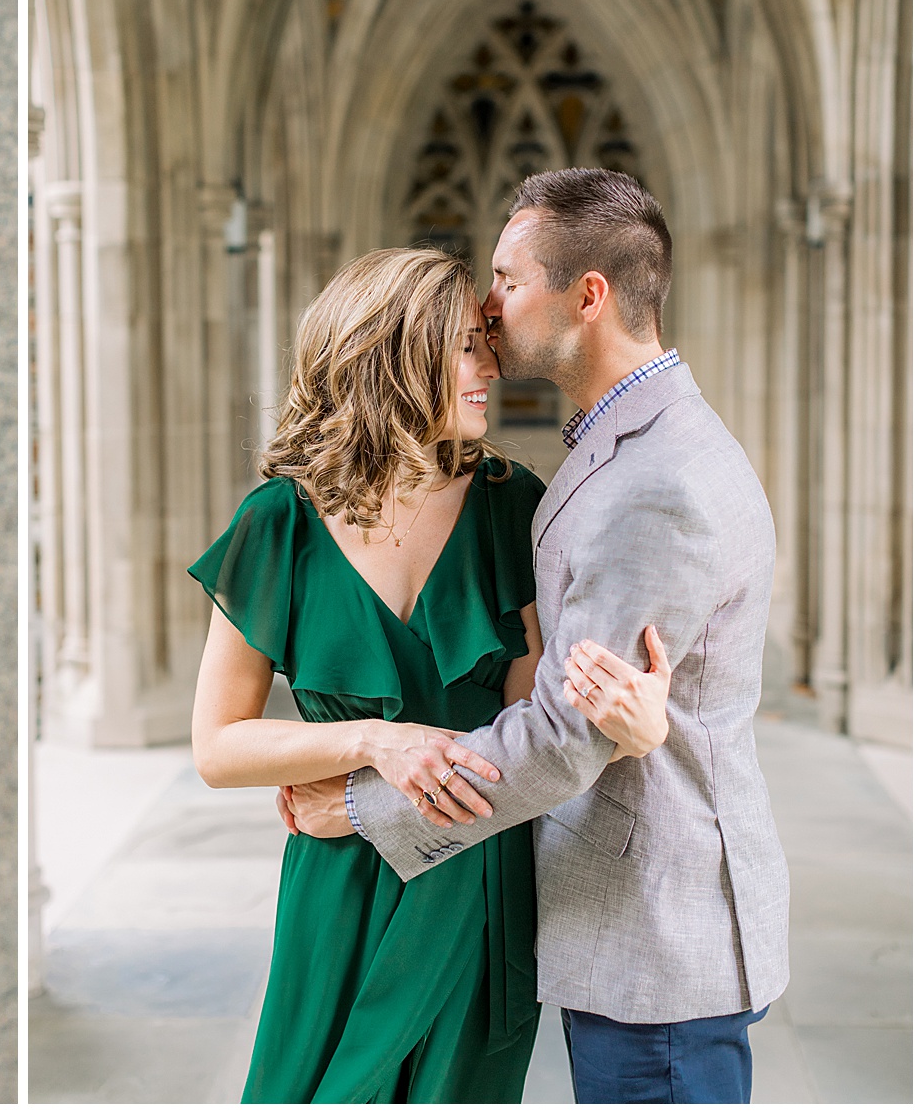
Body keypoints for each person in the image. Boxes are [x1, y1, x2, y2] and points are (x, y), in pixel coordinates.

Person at [288, 168, 789, 1103]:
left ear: (587, 297)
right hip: (625, 917)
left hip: (657, 941)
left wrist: (359, 808)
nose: (489, 306)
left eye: (509, 280)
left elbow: (563, 738)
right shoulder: (630, 442)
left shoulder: (656, 484)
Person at [187, 244, 669, 1103]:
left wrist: (635, 720)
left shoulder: (513, 504)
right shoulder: (277, 524)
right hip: (336, 887)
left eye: (485, 339)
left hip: (476, 878)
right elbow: (218, 747)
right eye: (463, 346)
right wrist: (376, 739)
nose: (490, 365)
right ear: (388, 357)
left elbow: (540, 731)